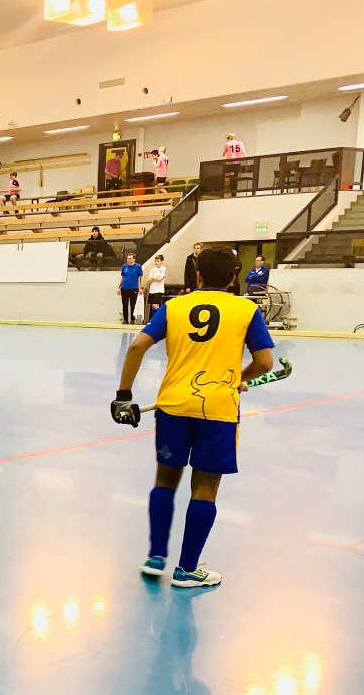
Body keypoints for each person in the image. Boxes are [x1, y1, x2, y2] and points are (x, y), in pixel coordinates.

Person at [111, 247, 275, 588]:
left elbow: (137, 346)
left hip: (173, 405)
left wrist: (123, 395)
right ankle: (186, 570)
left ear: (197, 275)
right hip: (218, 409)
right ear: (233, 278)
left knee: (165, 480)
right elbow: (265, 363)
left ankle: (156, 557)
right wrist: (237, 379)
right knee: (205, 488)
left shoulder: (174, 306)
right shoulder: (247, 309)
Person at [118, 253, 144, 324]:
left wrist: (141, 287)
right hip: (124, 288)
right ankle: (125, 319)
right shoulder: (124, 266)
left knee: (133, 305)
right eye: (127, 258)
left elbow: (141, 277)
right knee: (124, 305)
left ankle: (132, 319)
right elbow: (122, 277)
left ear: (134, 259)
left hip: (134, 288)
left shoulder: (138, 267)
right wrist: (118, 287)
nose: (128, 260)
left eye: (130, 258)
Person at [146, 255, 167, 323]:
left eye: (158, 261)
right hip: (152, 289)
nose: (156, 262)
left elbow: (160, 279)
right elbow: (149, 280)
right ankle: (153, 319)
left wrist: (154, 278)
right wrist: (155, 278)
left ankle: (157, 320)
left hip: (159, 290)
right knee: (152, 306)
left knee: (156, 305)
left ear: (162, 261)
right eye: (155, 261)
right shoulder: (153, 269)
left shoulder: (164, 269)